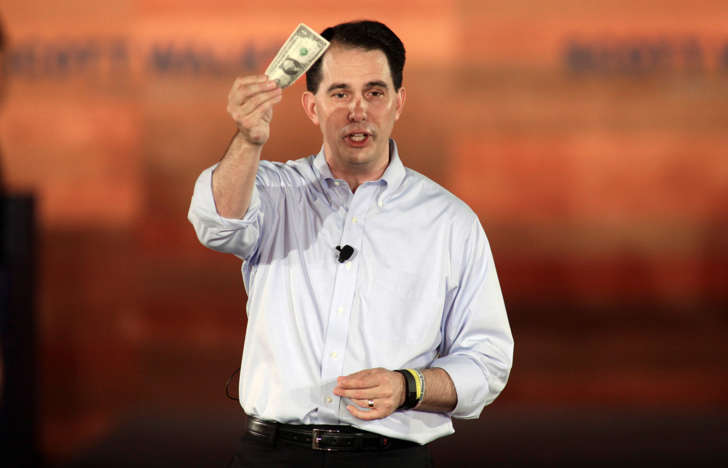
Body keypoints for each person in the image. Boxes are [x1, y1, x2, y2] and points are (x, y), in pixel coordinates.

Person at [188, 20, 513, 467]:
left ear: (399, 102)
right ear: (311, 106)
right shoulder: (272, 191)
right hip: (274, 454)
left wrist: (408, 386)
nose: (358, 110)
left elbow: (488, 360)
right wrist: (247, 139)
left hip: (390, 457)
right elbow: (215, 224)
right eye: (339, 93)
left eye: (375, 92)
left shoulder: (449, 221)